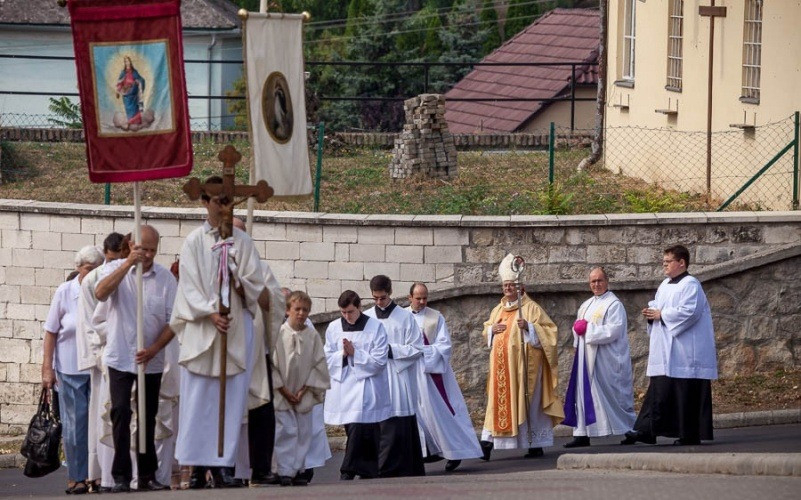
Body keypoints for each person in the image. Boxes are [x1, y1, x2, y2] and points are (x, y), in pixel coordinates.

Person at [170, 179, 270, 488]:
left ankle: (224, 464)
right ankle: (197, 466)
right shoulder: (194, 242)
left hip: (234, 329)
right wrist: (211, 312)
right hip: (203, 329)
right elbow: (188, 286)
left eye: (227, 201)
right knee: (198, 401)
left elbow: (255, 283)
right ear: (204, 202)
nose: (223, 207)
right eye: (217, 201)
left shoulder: (243, 242)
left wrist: (237, 278)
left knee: (230, 400)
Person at [93, 226, 177, 492]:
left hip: (150, 359)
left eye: (153, 250)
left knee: (148, 416)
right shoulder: (114, 269)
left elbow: (174, 321)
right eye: (143, 249)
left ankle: (147, 475)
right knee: (120, 411)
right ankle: (120, 475)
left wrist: (154, 348)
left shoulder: (165, 278)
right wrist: (128, 263)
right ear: (131, 245)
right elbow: (100, 293)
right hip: (120, 354)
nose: (148, 255)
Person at [623, 245, 718, 446]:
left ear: (681, 263)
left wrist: (661, 315)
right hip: (665, 348)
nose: (664, 265)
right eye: (664, 262)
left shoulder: (691, 285)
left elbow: (690, 312)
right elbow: (658, 306)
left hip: (686, 352)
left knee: (685, 393)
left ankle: (689, 434)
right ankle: (647, 431)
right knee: (660, 390)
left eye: (668, 261)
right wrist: (651, 313)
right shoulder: (665, 284)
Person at [481, 254, 564, 460]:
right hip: (503, 370)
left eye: (512, 285)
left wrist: (530, 327)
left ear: (521, 288)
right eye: (505, 285)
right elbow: (486, 330)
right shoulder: (498, 310)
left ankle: (535, 444)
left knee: (530, 405)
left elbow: (550, 332)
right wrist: (491, 330)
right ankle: (487, 443)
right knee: (496, 404)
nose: (508, 288)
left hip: (525, 370)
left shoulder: (531, 308)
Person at [42, 245, 104, 495]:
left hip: (98, 368)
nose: (92, 274)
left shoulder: (104, 291)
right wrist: (47, 368)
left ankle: (97, 475)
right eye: (88, 269)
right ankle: (77, 476)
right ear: (78, 268)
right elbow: (50, 331)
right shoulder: (65, 292)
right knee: (75, 426)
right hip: (70, 369)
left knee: (99, 424)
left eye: (97, 269)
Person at [406, 282, 483, 472]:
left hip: (432, 375)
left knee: (441, 414)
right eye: (418, 298)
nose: (422, 302)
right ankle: (422, 454)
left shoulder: (435, 317)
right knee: (415, 417)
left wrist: (422, 352)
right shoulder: (401, 317)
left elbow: (444, 346)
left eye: (425, 298)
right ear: (410, 298)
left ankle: (455, 452)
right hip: (410, 373)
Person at [562, 267, 636, 447]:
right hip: (585, 358)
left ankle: (629, 430)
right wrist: (577, 334)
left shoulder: (614, 304)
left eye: (599, 280)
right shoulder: (586, 305)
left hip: (606, 359)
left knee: (612, 397)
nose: (596, 284)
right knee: (583, 394)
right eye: (593, 281)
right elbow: (577, 328)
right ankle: (582, 434)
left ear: (607, 281)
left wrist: (587, 330)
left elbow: (613, 330)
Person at [324, 290, 391, 480]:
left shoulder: (375, 327)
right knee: (359, 429)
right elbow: (327, 357)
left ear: (359, 307)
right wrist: (343, 354)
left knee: (360, 426)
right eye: (343, 312)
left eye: (350, 312)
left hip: (367, 386)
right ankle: (369, 470)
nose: (347, 316)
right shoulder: (333, 327)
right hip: (344, 387)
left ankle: (348, 469)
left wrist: (356, 353)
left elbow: (380, 360)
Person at [364, 275, 426, 478]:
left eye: (382, 298)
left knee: (397, 423)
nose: (379, 302)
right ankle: (374, 467)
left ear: (390, 292)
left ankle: (400, 467)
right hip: (374, 374)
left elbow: (417, 348)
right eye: (375, 298)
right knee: (374, 423)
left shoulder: (405, 317)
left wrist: (391, 350)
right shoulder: (366, 318)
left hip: (397, 375)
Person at [75, 232, 123, 492]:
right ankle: (99, 474)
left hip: (126, 354)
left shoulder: (129, 274)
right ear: (106, 254)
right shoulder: (93, 279)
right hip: (103, 355)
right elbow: (91, 323)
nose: (115, 264)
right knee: (100, 414)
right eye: (112, 259)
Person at [271, 291, 330, 486]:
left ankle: (299, 469)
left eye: (305, 310)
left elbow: (318, 363)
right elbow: (272, 365)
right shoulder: (278, 333)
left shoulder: (311, 335)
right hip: (283, 392)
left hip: (303, 392)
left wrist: (305, 389)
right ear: (288, 310)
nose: (301, 313)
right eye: (297, 309)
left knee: (304, 432)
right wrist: (283, 390)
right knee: (284, 431)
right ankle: (284, 471)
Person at [116, 55, 145, 126]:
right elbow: (119, 82)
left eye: (128, 61)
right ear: (125, 63)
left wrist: (138, 82)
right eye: (126, 61)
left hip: (134, 94)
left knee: (135, 109)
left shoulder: (134, 72)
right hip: (126, 94)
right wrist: (118, 91)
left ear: (130, 62)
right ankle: (131, 123)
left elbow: (141, 79)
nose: (127, 63)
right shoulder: (123, 72)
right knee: (129, 110)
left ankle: (136, 123)